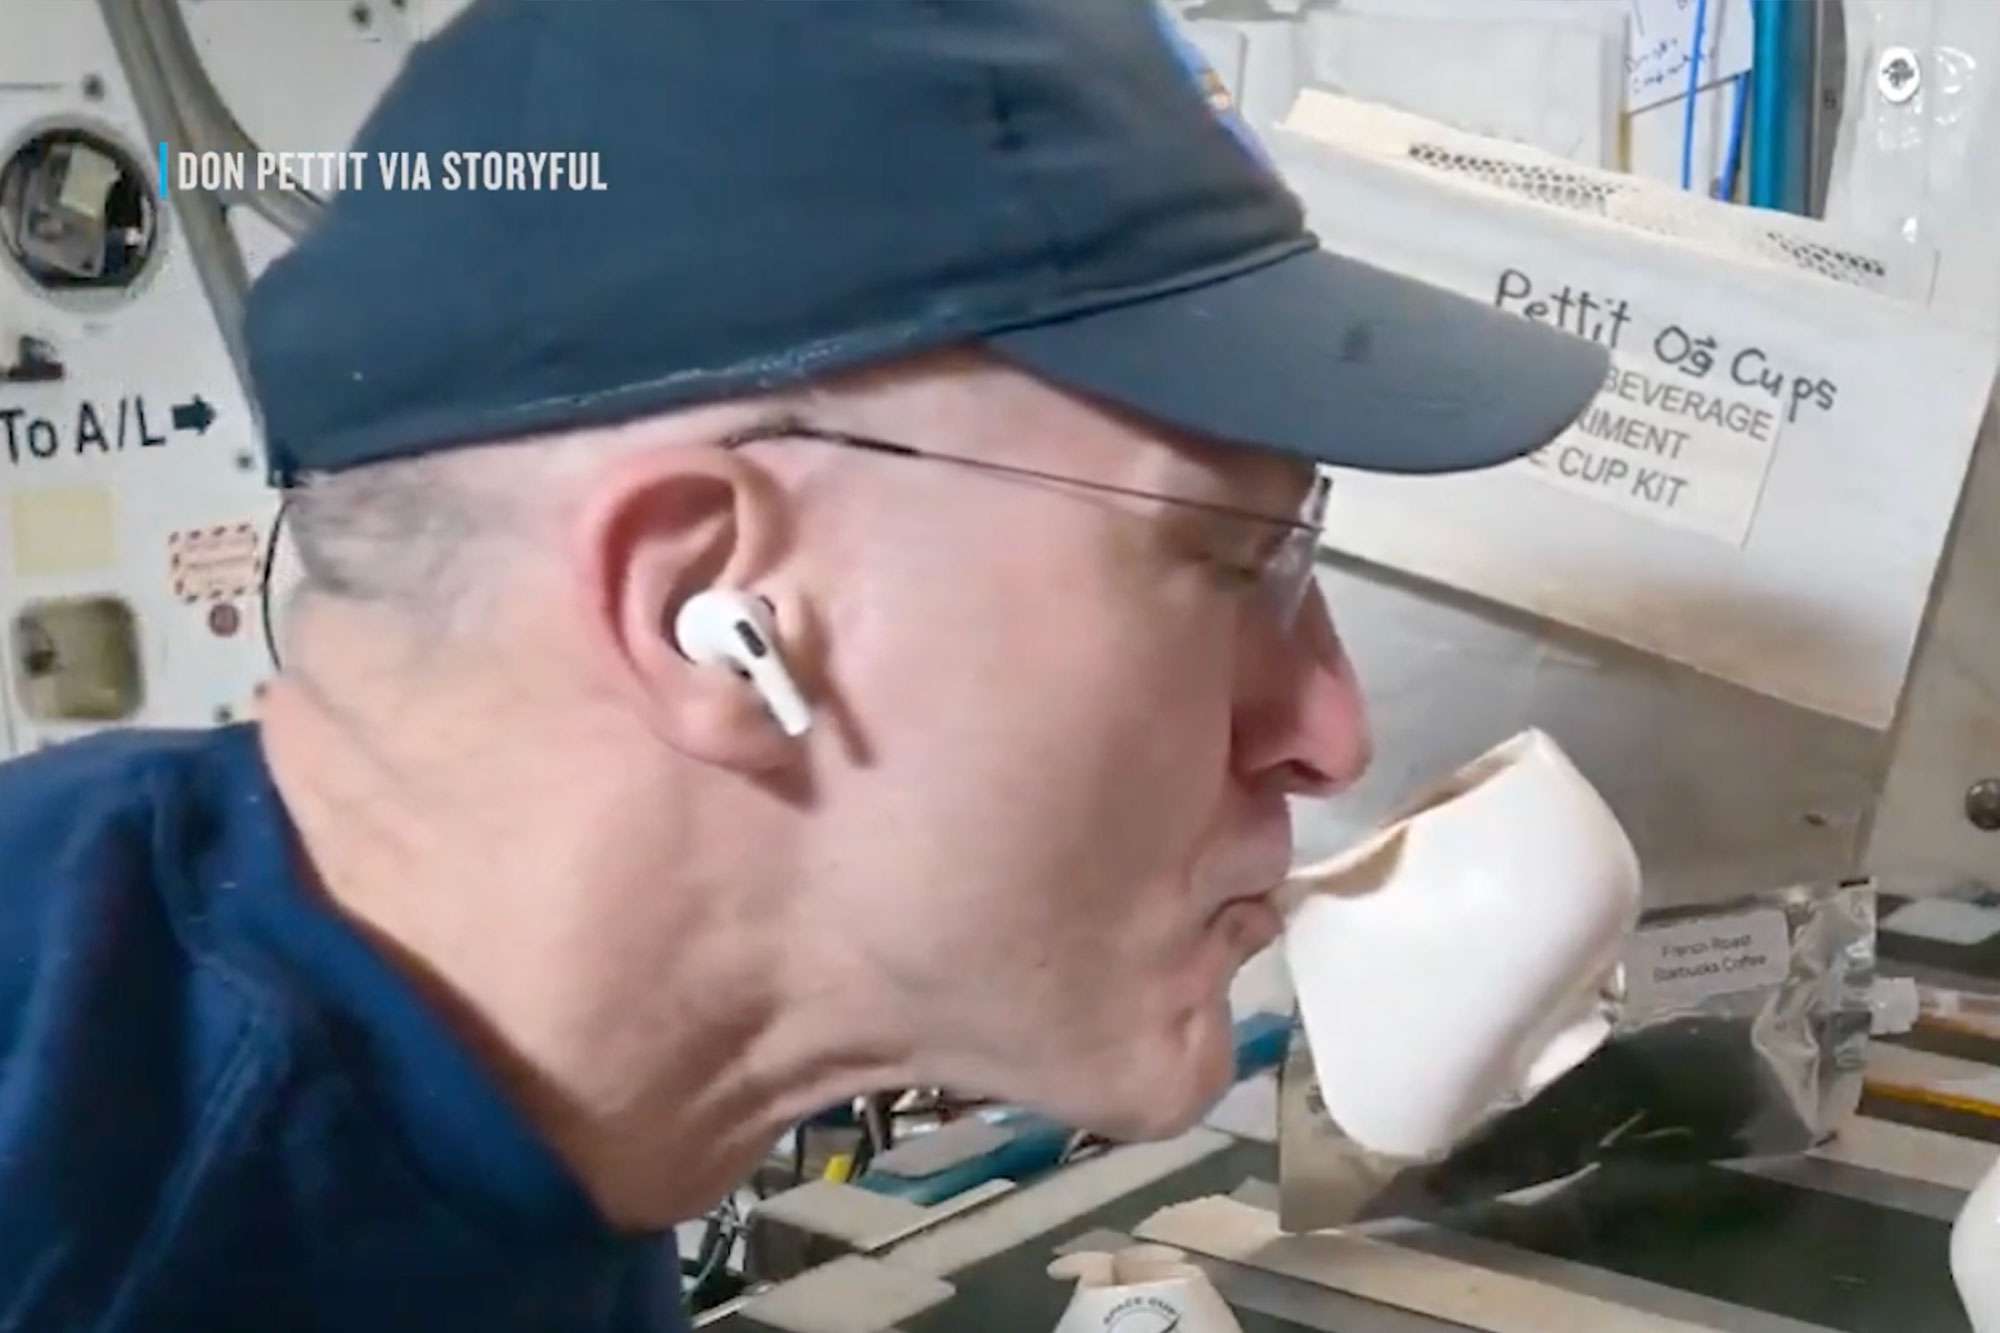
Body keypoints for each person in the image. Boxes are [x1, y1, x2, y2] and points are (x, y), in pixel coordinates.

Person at [0, 1, 1605, 1329]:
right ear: (715, 602)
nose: (1330, 730)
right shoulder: (85, 1222)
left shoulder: (520, 1153)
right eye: (1233, 559)